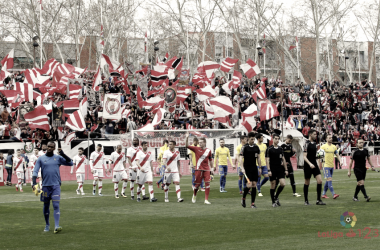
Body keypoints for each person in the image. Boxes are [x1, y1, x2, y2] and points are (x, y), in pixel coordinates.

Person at [32, 141, 73, 233]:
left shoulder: (58, 158)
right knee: (46, 206)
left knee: (55, 205)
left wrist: (63, 154)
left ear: (54, 148)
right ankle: (47, 224)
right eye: (48, 146)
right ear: (46, 147)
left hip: (56, 186)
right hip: (45, 186)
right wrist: (34, 182)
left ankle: (56, 226)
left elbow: (70, 163)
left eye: (51, 147)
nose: (50, 148)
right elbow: (35, 171)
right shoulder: (41, 159)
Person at [186, 134, 214, 205]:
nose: (200, 143)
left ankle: (206, 200)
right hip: (198, 169)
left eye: (201, 142)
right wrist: (187, 137)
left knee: (207, 184)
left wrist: (212, 168)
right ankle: (194, 195)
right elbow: (186, 146)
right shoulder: (196, 149)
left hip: (207, 170)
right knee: (197, 185)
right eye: (199, 142)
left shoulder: (209, 150)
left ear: (205, 143)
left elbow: (210, 160)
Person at [303, 129, 325, 205]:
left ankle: (318, 200)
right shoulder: (306, 143)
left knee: (320, 181)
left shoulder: (315, 143)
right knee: (307, 182)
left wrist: (319, 157)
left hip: (314, 164)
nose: (316, 135)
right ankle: (306, 201)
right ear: (310, 135)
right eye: (314, 134)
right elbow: (304, 156)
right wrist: (310, 164)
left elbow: (314, 156)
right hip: (308, 165)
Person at [239, 132, 261, 208]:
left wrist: (260, 167)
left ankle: (252, 203)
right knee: (249, 185)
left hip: (254, 168)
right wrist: (242, 168)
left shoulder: (256, 147)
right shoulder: (244, 147)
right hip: (247, 168)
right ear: (248, 138)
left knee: (254, 185)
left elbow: (258, 157)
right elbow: (241, 158)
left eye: (254, 139)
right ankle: (243, 198)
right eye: (251, 139)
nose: (253, 140)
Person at [266, 134, 288, 207]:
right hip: (272, 168)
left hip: (279, 168)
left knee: (283, 184)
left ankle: (276, 196)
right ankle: (273, 202)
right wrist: (269, 170)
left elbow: (283, 159)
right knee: (273, 184)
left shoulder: (280, 149)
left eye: (278, 139)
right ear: (273, 139)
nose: (277, 140)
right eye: (276, 138)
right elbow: (267, 160)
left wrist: (286, 169)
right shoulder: (269, 149)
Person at [320, 135, 341, 199]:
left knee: (328, 180)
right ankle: (333, 194)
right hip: (325, 165)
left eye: (331, 138)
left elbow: (337, 154)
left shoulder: (334, 147)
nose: (331, 139)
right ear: (326, 139)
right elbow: (319, 155)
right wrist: (319, 165)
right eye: (329, 138)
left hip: (332, 165)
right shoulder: (323, 147)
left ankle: (323, 194)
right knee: (329, 179)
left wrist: (340, 161)